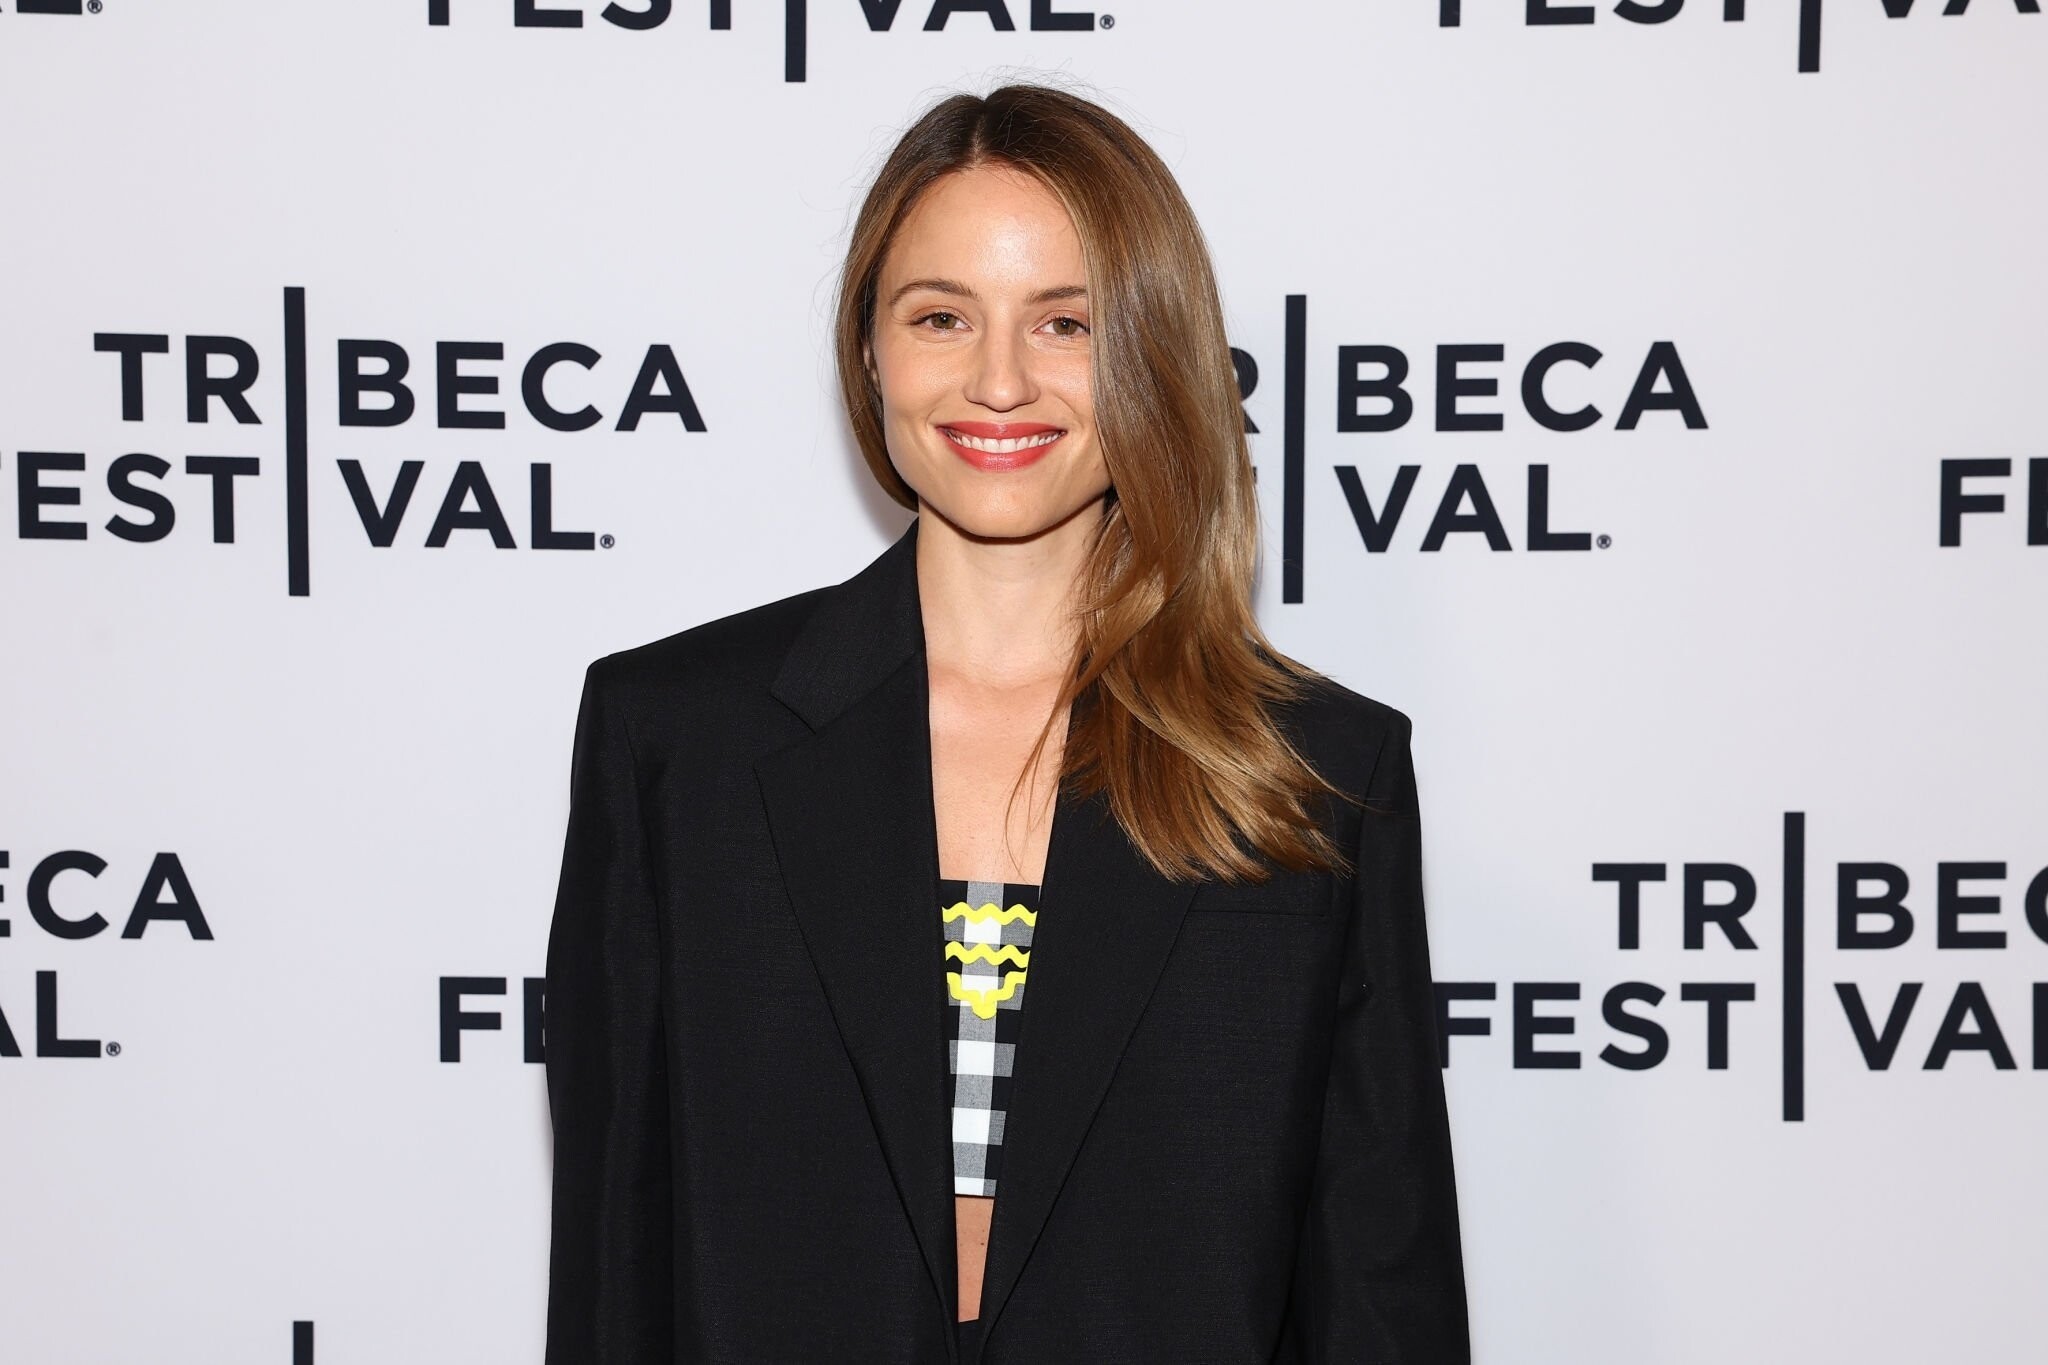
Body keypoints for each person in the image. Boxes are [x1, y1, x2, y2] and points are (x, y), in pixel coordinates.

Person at [542, 82, 1470, 1364]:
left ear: (1152, 352)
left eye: (1064, 323)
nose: (997, 381)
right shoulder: (676, 746)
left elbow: (1379, 1291)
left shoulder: (1311, 773)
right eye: (940, 317)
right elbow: (613, 1269)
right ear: (869, 352)